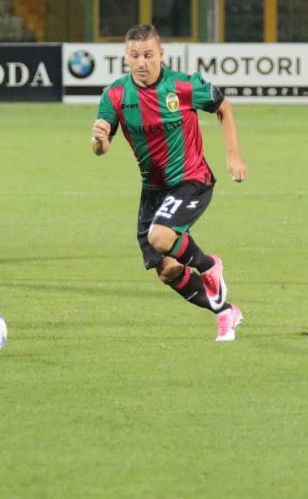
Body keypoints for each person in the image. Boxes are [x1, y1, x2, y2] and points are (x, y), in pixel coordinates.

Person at [91, 24, 248, 341]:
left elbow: (224, 108)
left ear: (160, 54)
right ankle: (225, 312)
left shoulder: (183, 86)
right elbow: (102, 146)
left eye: (148, 55)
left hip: (192, 180)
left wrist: (234, 156)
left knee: (161, 236)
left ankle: (208, 266)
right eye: (135, 56)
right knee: (167, 269)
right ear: (126, 56)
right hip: (153, 192)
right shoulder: (115, 95)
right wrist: (99, 141)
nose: (142, 63)